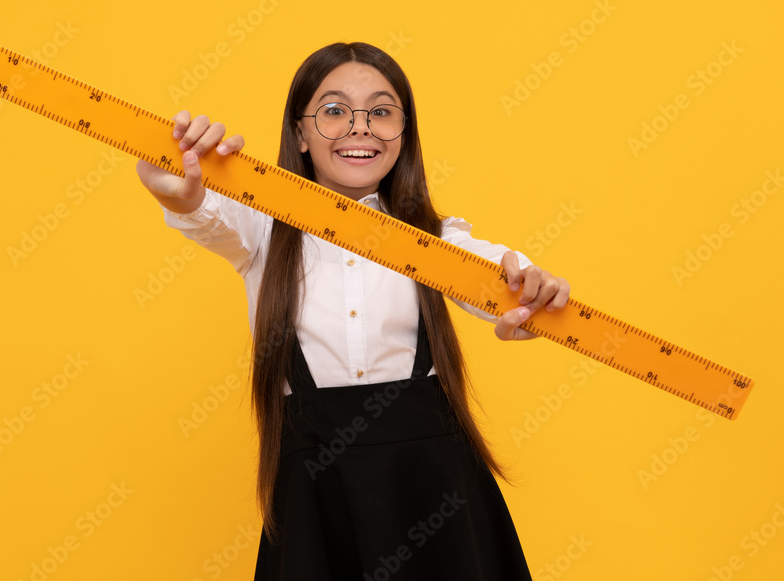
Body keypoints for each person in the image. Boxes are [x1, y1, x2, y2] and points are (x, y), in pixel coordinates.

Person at [136, 42, 569, 580]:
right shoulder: (260, 229)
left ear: (403, 134)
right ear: (300, 134)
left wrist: (535, 292)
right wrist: (176, 193)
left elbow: (503, 274)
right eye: (335, 110)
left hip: (438, 495)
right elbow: (199, 208)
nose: (360, 128)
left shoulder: (434, 239)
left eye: (381, 112)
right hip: (317, 498)